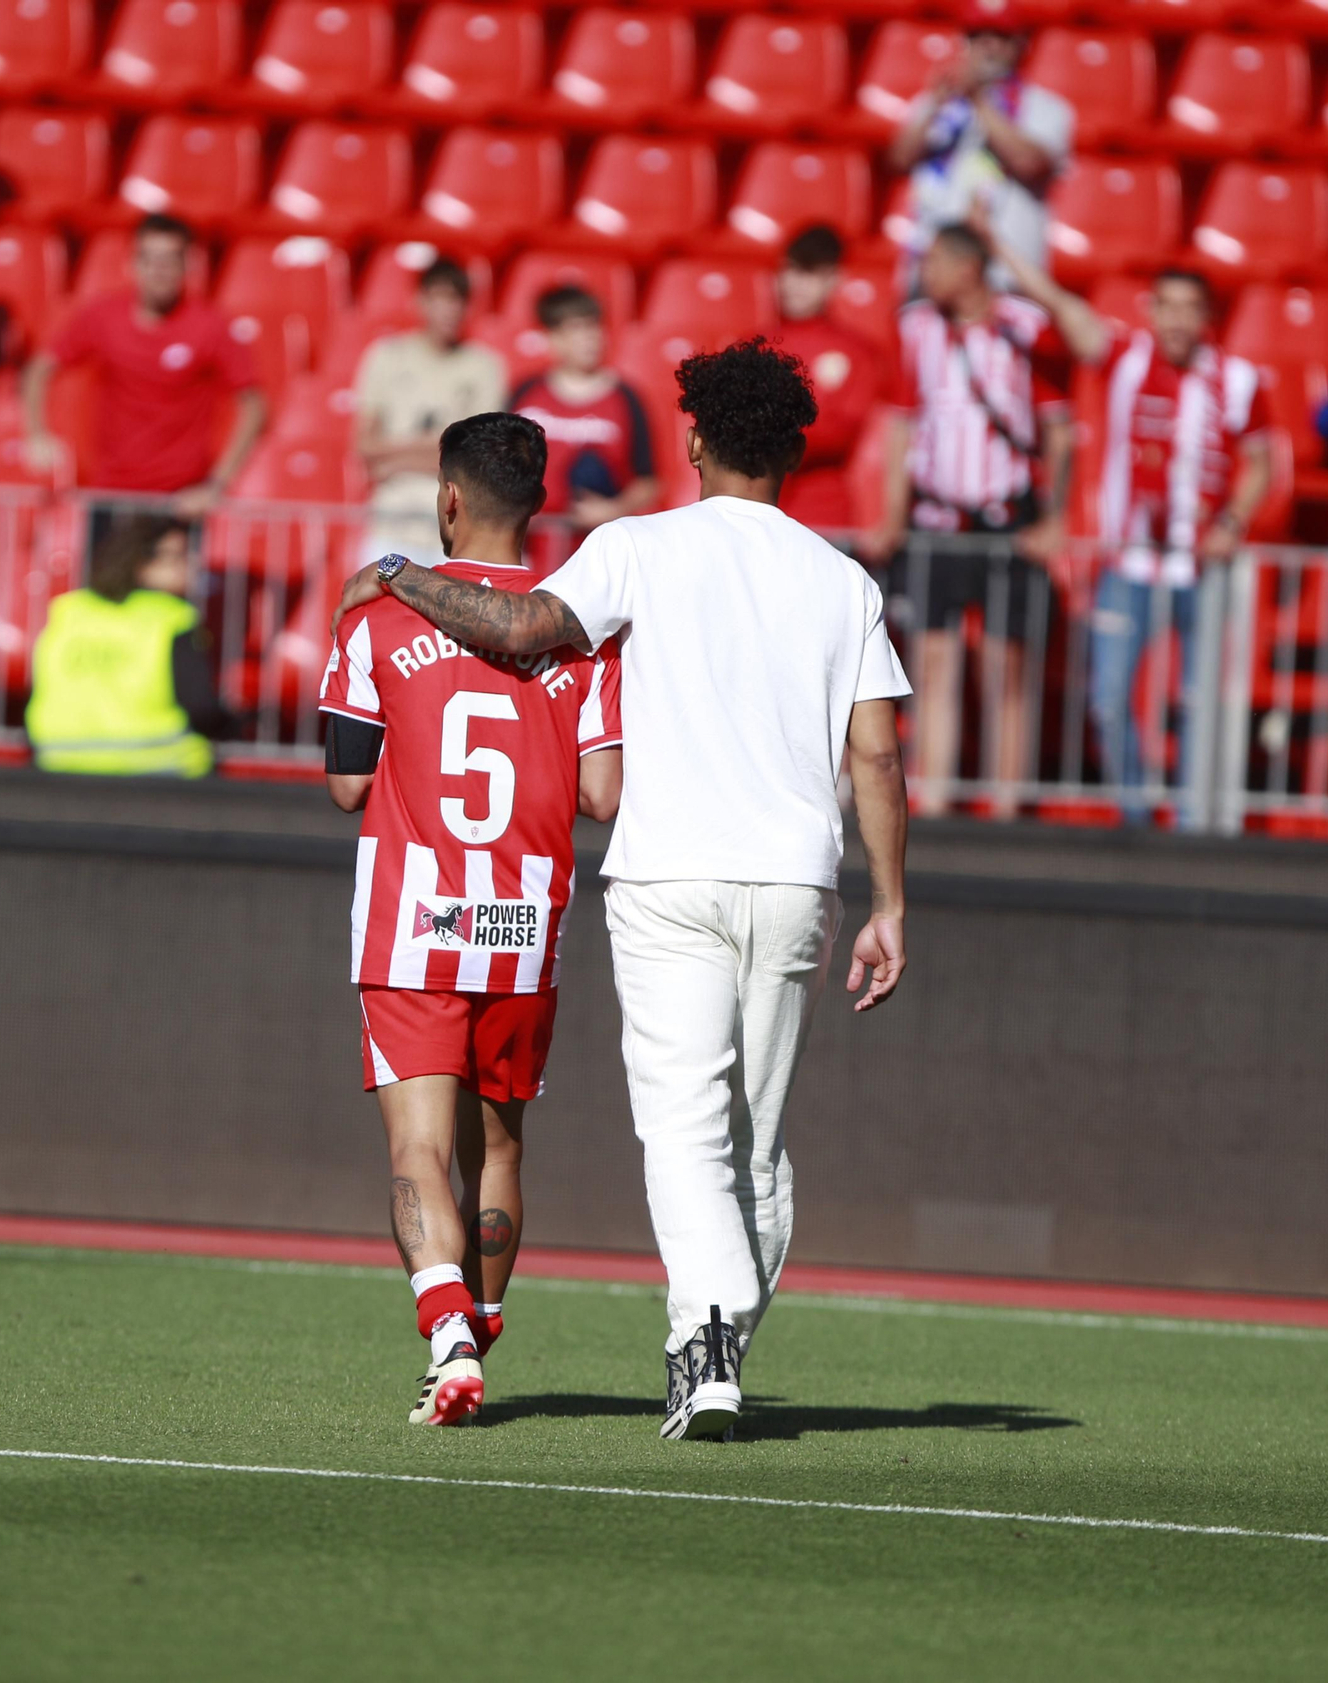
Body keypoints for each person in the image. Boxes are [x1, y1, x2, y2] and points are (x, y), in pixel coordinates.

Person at [333, 342, 911, 1442]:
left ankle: (702, 1354)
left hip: (665, 875)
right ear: (792, 451)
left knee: (686, 1130)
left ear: (692, 441)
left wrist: (401, 575)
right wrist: (887, 904)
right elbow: (875, 758)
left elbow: (512, 629)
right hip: (796, 878)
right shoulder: (844, 579)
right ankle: (721, 1338)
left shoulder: (636, 546)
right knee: (759, 1142)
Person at [321, 411, 623, 1427]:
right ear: (535, 508)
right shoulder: (579, 637)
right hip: (522, 922)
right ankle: (483, 1316)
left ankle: (446, 1330)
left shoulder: (377, 621)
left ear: (448, 500)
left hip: (414, 918)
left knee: (415, 1150)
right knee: (497, 1148)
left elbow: (346, 787)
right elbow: (604, 794)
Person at [990, 240, 1272, 814]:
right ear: (1152, 310)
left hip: (1200, 568)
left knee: (1199, 701)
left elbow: (1262, 462)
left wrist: (1233, 520)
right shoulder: (1126, 358)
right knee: (1108, 699)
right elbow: (1062, 306)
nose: (1176, 319)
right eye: (1165, 305)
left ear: (1207, 317)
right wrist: (1000, 243)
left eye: (1188, 307)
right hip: (1131, 563)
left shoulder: (1239, 380)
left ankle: (1194, 825)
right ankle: (1135, 811)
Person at [862, 221, 1071, 815]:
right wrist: (894, 512)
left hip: (1007, 517)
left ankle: (1007, 805)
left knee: (1006, 665)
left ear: (968, 268)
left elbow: (1061, 428)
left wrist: (1053, 516)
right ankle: (934, 798)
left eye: (935, 263)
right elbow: (903, 422)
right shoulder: (917, 328)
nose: (923, 276)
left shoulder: (1025, 326)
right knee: (933, 662)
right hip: (937, 516)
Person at [23, 214, 267, 549]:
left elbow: (253, 405)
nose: (159, 270)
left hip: (179, 500)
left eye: (170, 260)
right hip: (109, 493)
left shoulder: (209, 326)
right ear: (133, 264)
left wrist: (217, 484)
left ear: (187, 266)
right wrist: (36, 433)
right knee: (102, 598)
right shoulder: (103, 316)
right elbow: (40, 367)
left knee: (168, 602)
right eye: (150, 259)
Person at [25, 516, 231, 777]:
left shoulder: (68, 611)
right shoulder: (172, 618)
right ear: (140, 563)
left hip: (59, 760)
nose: (192, 564)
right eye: (178, 556)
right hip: (157, 767)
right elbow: (200, 707)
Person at [887, 0, 1071, 286]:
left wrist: (978, 99)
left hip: (1007, 274)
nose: (990, 46)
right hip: (935, 274)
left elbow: (1029, 163)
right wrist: (935, 104)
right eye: (979, 35)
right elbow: (898, 159)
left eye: (1001, 37)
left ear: (1020, 43)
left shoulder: (1045, 107)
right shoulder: (937, 101)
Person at [353, 258, 507, 567]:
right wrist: (438, 443)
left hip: (456, 532)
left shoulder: (486, 366)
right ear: (420, 301)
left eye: (457, 300)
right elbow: (363, 446)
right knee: (381, 614)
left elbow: (475, 459)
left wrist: (397, 461)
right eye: (440, 298)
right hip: (391, 524)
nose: (450, 309)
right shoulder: (386, 356)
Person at [509, 285, 660, 569]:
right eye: (578, 328)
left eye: (595, 327)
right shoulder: (526, 393)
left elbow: (649, 482)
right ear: (553, 337)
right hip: (529, 545)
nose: (592, 338)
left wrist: (614, 510)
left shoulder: (625, 398)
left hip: (595, 548)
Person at [772, 226, 886, 533]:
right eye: (792, 271)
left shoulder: (857, 352)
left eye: (810, 274)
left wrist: (765, 428)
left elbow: (839, 432)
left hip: (823, 518)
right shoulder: (753, 346)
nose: (797, 284)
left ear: (833, 280)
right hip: (758, 513)